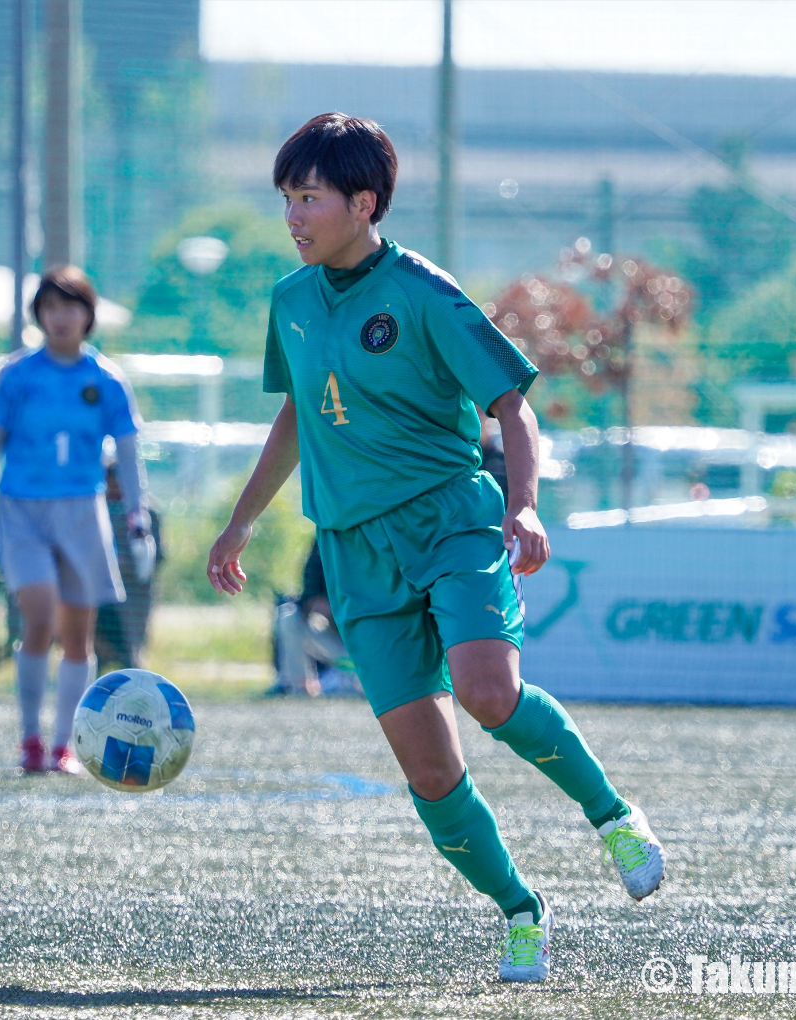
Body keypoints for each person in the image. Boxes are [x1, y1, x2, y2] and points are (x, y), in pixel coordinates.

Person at [206, 113, 664, 983]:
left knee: (489, 693)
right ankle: (522, 912)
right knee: (429, 766)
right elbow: (300, 413)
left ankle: (611, 816)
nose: (295, 216)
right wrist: (241, 520)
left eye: (310, 197)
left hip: (450, 519)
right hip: (352, 549)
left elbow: (513, 406)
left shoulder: (421, 290)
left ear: (364, 202)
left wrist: (523, 508)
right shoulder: (291, 302)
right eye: (288, 199)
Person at [0, 265, 149, 774]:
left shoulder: (107, 379)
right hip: (22, 510)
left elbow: (129, 451)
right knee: (40, 615)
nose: (59, 317)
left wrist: (137, 515)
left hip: (83, 512)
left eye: (70, 307)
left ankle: (64, 744)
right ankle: (29, 738)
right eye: (49, 308)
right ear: (38, 316)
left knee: (78, 634)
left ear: (88, 315)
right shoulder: (17, 375)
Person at [94, 459, 162, 671]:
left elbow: (157, 555)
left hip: (134, 592)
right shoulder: (96, 509)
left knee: (130, 647)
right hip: (100, 588)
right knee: (95, 638)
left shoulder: (147, 513)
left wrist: (131, 566)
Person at [268, 540, 360, 697]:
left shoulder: (375, 538)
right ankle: (298, 687)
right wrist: (319, 606)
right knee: (289, 616)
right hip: (336, 639)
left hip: (372, 646)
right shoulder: (325, 540)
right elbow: (309, 596)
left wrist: (339, 610)